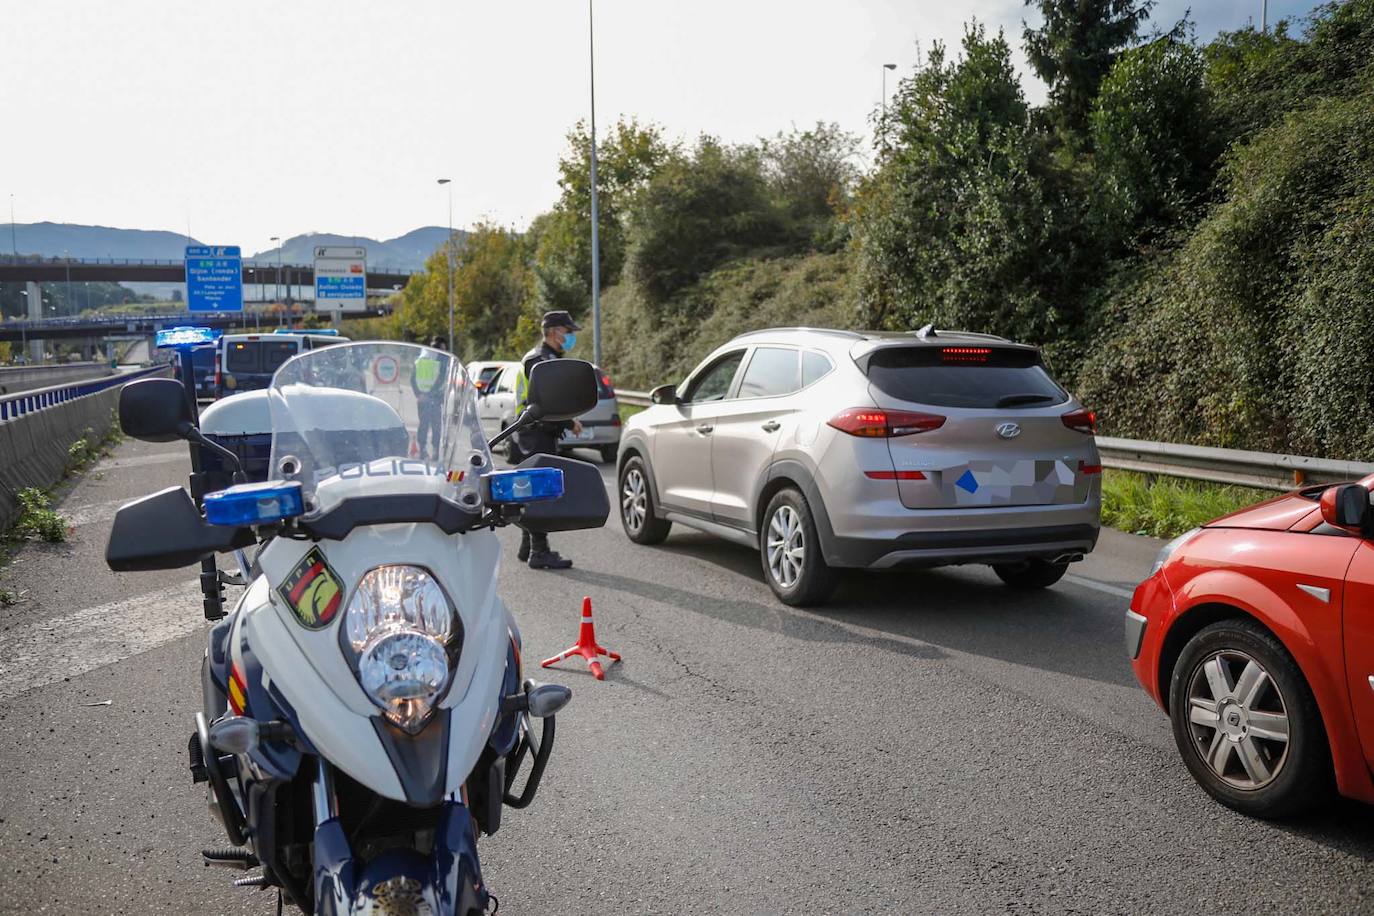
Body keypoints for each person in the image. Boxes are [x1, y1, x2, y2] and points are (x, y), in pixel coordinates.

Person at [514, 311, 583, 570]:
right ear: (554, 331)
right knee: (540, 490)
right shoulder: (539, 360)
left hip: (539, 431)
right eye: (567, 331)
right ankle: (539, 552)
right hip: (536, 432)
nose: (570, 336)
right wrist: (569, 421)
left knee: (534, 488)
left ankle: (527, 546)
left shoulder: (545, 358)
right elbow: (545, 401)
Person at [411, 336, 446, 460]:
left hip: (422, 399)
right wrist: (430, 394)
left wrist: (419, 394)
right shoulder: (441, 360)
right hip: (434, 398)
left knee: (423, 424)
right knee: (436, 425)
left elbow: (412, 379)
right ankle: (435, 451)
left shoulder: (420, 359)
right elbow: (441, 379)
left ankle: (422, 450)